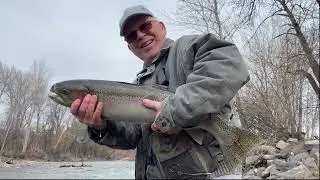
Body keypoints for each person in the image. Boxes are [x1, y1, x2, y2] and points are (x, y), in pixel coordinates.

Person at [70, 5, 250, 179]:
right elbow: (132, 136)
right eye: (132, 35)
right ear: (130, 47)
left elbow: (229, 66)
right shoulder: (138, 84)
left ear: (162, 27)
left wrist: (173, 112)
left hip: (209, 173)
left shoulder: (188, 48)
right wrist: (101, 127)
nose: (140, 35)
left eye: (145, 26)